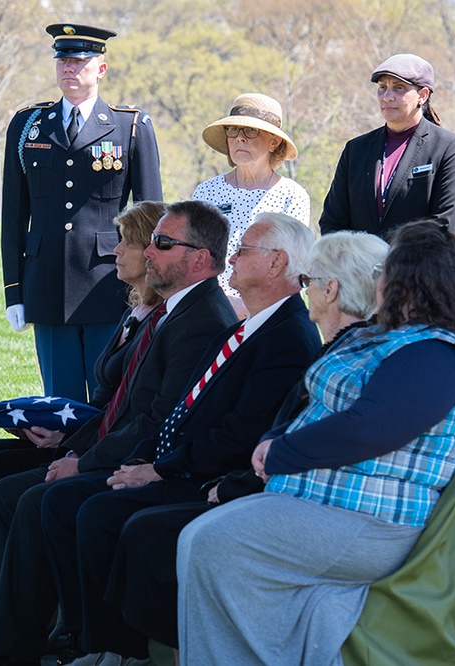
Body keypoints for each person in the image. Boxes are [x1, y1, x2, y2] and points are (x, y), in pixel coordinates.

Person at [177, 220, 455, 665]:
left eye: (385, 271)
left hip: (374, 524)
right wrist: (276, 435)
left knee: (212, 542)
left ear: (410, 281)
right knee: (200, 537)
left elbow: (368, 427)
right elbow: (309, 400)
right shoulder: (383, 339)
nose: (377, 281)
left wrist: (282, 452)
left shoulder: (435, 354)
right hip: (327, 508)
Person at [0, 201, 237, 666]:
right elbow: (120, 404)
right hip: (113, 447)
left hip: (148, 464)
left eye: (160, 243)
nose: (141, 252)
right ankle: (6, 630)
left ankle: (16, 642)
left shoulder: (200, 319)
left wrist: (84, 459)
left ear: (199, 259)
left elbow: (156, 420)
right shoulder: (170, 312)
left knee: (27, 495)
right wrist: (72, 442)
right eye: (151, 242)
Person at [38, 213, 323, 665]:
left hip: (207, 476)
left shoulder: (287, 335)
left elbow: (240, 435)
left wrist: (157, 469)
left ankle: (121, 649)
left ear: (277, 264)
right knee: (79, 501)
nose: (232, 257)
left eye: (243, 251)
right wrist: (133, 462)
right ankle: (96, 640)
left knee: (103, 513)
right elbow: (180, 412)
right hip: (178, 463)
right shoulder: (244, 329)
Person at [105, 230, 390, 659]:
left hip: (315, 510)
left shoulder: (338, 352)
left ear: (330, 290)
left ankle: (159, 654)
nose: (303, 287)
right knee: (128, 519)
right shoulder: (337, 351)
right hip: (271, 489)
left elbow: (290, 443)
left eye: (309, 279)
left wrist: (232, 484)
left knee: (154, 531)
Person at [0, 201, 166, 541]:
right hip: (86, 436)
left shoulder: (161, 318)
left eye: (127, 242)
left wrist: (73, 444)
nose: (115, 249)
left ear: (152, 252)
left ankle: (15, 585)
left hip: (104, 448)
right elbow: (104, 398)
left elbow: (132, 413)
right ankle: (6, 575)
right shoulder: (135, 310)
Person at [0, 23, 162, 404]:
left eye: (79, 61)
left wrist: (151, 291)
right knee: (60, 405)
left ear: (100, 69)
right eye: (63, 60)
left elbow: (151, 219)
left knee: (111, 399)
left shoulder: (131, 127)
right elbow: (13, 216)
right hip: (48, 283)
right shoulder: (28, 125)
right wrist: (14, 292)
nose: (69, 69)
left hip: (112, 284)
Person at [318, 54, 455, 237]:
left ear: (422, 95)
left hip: (417, 264)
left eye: (399, 88)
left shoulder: (449, 148)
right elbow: (332, 222)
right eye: (382, 87)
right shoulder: (355, 150)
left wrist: (394, 260)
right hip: (358, 264)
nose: (387, 97)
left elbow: (445, 224)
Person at [193, 93, 310, 311]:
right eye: (233, 130)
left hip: (267, 314)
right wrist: (219, 302)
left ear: (274, 142)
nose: (240, 138)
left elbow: (291, 266)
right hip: (208, 309)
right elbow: (192, 255)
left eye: (251, 131)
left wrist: (246, 306)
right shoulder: (207, 191)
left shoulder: (291, 195)